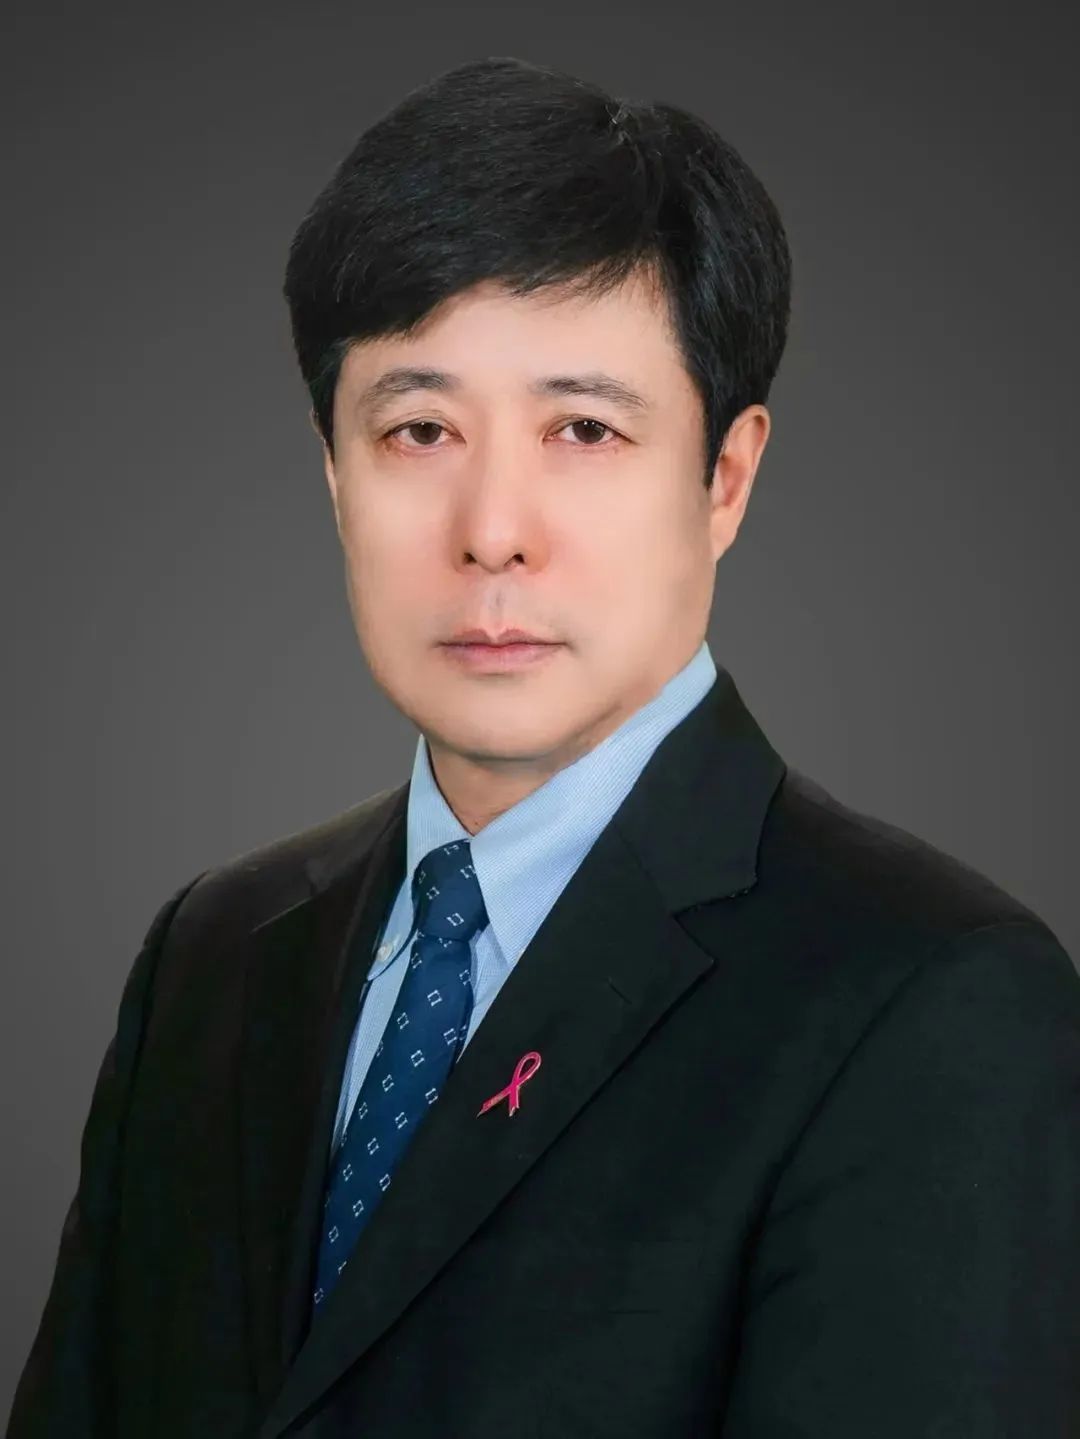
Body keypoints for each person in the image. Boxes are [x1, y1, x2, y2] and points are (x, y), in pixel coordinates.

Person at [8, 53, 1080, 1439]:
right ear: (333, 471)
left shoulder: (932, 1001)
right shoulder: (210, 957)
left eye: (583, 428)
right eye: (419, 429)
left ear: (726, 476)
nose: (492, 530)